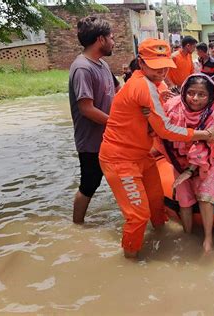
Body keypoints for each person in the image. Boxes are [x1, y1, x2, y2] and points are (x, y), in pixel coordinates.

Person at [98, 38, 214, 259]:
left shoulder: (158, 84)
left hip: (142, 155)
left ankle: (163, 242)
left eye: (164, 66)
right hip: (120, 159)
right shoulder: (142, 85)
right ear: (141, 63)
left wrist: (161, 106)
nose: (162, 71)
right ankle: (130, 259)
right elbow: (165, 130)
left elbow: (165, 112)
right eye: (155, 66)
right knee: (138, 215)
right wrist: (201, 134)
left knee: (157, 205)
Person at [156, 74, 214, 253]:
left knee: (205, 196)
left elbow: (210, 141)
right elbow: (161, 130)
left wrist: (190, 170)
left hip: (209, 159)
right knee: (184, 199)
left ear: (210, 97)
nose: (195, 98)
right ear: (184, 92)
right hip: (179, 159)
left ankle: (208, 239)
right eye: (191, 93)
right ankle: (187, 234)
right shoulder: (173, 107)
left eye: (201, 95)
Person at [68, 16, 116, 224]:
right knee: (89, 184)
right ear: (100, 40)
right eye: (111, 38)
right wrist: (117, 124)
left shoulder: (102, 65)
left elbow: (118, 92)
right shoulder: (82, 68)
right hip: (91, 142)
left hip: (109, 137)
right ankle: (77, 226)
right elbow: (86, 108)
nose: (114, 42)